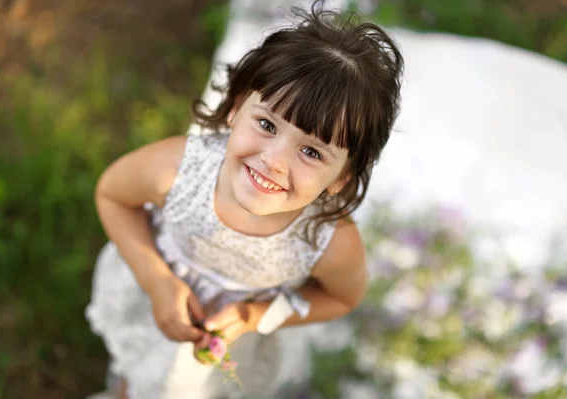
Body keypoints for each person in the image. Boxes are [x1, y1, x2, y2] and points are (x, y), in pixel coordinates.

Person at [85, 2, 404, 398]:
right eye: (267, 124)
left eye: (311, 152)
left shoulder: (327, 241)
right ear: (237, 107)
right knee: (141, 375)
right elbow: (113, 195)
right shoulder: (177, 170)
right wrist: (156, 280)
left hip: (242, 341)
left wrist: (253, 316)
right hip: (160, 300)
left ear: (340, 177)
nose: (274, 162)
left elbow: (342, 297)